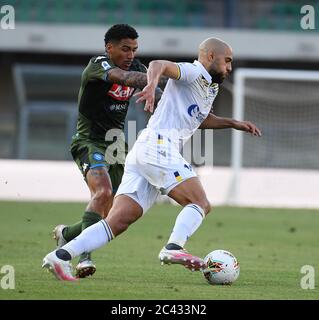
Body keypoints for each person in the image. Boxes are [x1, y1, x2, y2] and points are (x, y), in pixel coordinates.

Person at [42, 37, 262, 281]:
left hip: (145, 151)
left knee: (117, 222)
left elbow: (201, 118)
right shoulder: (192, 72)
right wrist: (151, 84)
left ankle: (60, 255)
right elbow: (158, 64)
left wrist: (233, 123)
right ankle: (174, 248)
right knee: (200, 202)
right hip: (158, 147)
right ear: (211, 56)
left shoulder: (210, 86)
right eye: (227, 61)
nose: (230, 67)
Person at [52, 24, 161, 278]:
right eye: (125, 49)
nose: (131, 55)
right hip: (88, 140)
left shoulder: (138, 68)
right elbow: (123, 80)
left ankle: (66, 234)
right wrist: (156, 78)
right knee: (103, 192)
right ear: (109, 47)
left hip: (116, 145)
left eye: (134, 49)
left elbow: (159, 87)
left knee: (113, 211)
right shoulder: (97, 65)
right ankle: (83, 257)